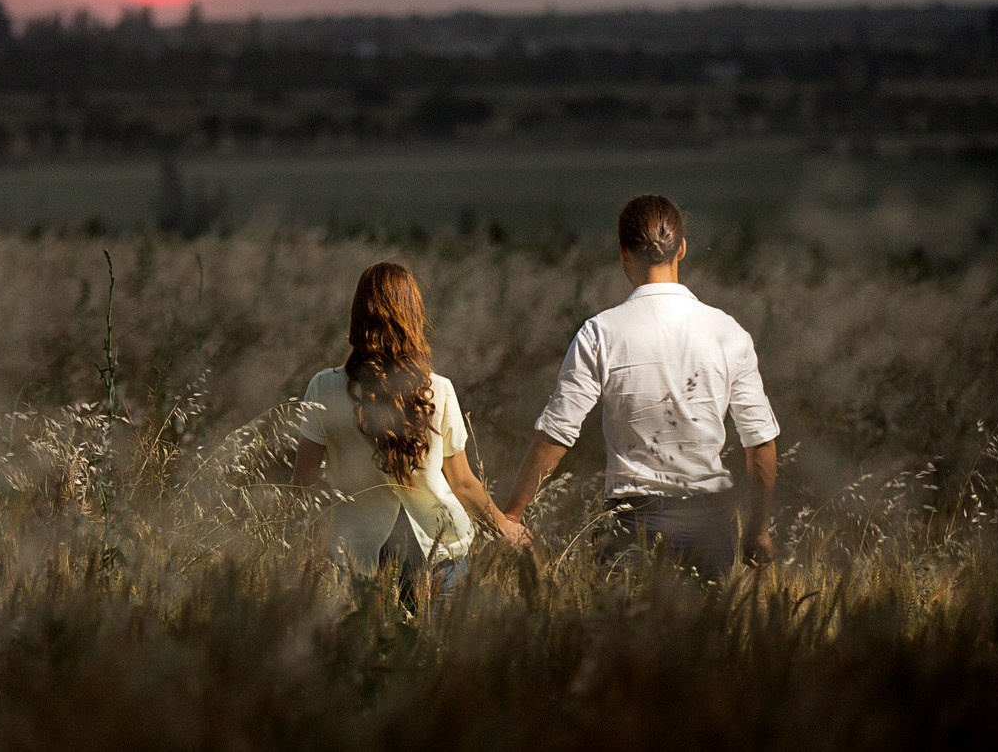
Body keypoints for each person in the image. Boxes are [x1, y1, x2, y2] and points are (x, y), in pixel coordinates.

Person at [494, 194, 780, 579]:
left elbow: (556, 434)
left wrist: (512, 514)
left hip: (632, 525)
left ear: (623, 252)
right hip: (708, 525)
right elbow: (760, 442)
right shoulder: (728, 332)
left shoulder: (600, 332)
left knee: (626, 620)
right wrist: (759, 528)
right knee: (704, 621)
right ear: (682, 248)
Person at [291, 261, 518, 601]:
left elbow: (301, 484)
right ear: (413, 317)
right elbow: (462, 483)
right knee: (442, 638)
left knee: (367, 637)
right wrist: (506, 527)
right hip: (439, 549)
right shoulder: (438, 390)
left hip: (358, 554)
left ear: (358, 316)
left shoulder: (324, 387)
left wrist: (344, 501)